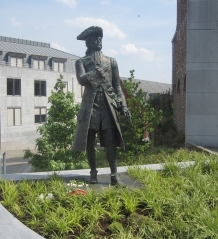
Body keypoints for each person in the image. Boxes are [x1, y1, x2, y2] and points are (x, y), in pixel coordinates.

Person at [73, 26, 131, 185]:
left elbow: (117, 86)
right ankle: (93, 173)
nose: (99, 40)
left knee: (110, 142)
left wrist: (123, 106)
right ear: (88, 42)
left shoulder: (111, 61)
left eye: (100, 38)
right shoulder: (81, 62)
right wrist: (96, 72)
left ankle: (114, 174)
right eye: (95, 38)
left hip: (107, 107)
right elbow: (82, 80)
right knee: (89, 141)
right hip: (90, 107)